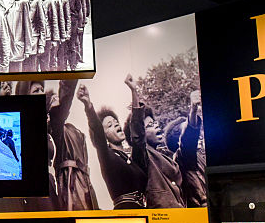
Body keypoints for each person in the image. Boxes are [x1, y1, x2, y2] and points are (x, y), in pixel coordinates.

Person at [77, 82, 148, 208]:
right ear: (104, 136)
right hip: (125, 212)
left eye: (116, 122)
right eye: (109, 125)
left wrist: (133, 91)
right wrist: (88, 105)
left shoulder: (131, 158)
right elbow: (97, 130)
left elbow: (138, 131)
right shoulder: (107, 156)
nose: (116, 124)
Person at [125, 75, 186, 208]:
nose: (157, 125)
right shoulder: (143, 156)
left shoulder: (166, 156)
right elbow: (137, 133)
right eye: (150, 125)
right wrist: (134, 91)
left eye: (155, 123)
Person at [49, 79, 98, 210]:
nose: (57, 100)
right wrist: (70, 78)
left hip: (85, 182)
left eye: (57, 97)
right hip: (69, 184)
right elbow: (63, 104)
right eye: (53, 99)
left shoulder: (75, 131)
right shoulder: (55, 129)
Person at [163, 91, 208, 207]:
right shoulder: (182, 157)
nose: (198, 134)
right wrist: (193, 109)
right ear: (179, 141)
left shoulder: (197, 156)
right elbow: (188, 137)